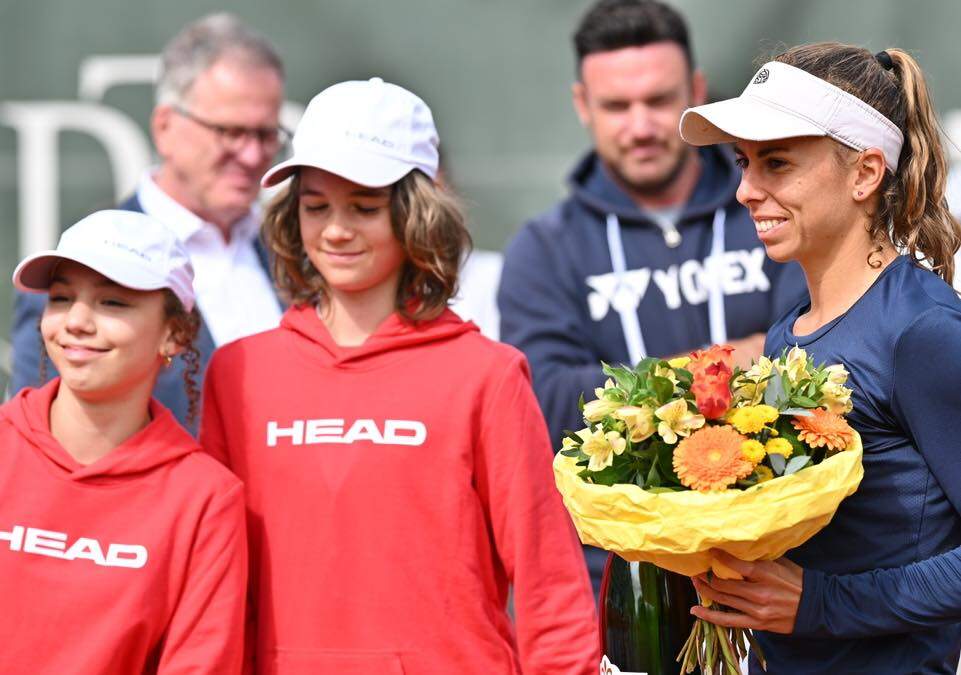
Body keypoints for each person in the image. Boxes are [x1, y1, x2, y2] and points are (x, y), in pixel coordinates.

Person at [200, 77, 600, 674]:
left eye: (363, 206)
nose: (336, 230)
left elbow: (549, 582)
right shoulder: (239, 373)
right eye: (315, 207)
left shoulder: (486, 376)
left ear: (417, 213)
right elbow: (215, 588)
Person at [497, 0, 807, 594]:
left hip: (781, 572)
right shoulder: (545, 248)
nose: (640, 126)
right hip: (621, 583)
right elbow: (550, 400)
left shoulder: (768, 209)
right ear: (583, 106)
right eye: (616, 105)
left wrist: (633, 391)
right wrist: (726, 362)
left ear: (694, 91)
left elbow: (812, 357)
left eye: (659, 100)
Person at [679, 43, 961, 674]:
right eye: (743, 163)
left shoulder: (924, 330)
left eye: (776, 163)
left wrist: (820, 606)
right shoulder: (787, 334)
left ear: (864, 174)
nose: (747, 191)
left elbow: (816, 598)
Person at [9, 13, 286, 432]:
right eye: (230, 132)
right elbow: (37, 444)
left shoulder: (297, 256)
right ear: (165, 127)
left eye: (265, 136)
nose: (251, 156)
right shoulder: (77, 267)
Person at [0, 210, 247, 673]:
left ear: (173, 333)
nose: (76, 320)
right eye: (61, 298)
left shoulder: (205, 499)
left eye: (112, 303)